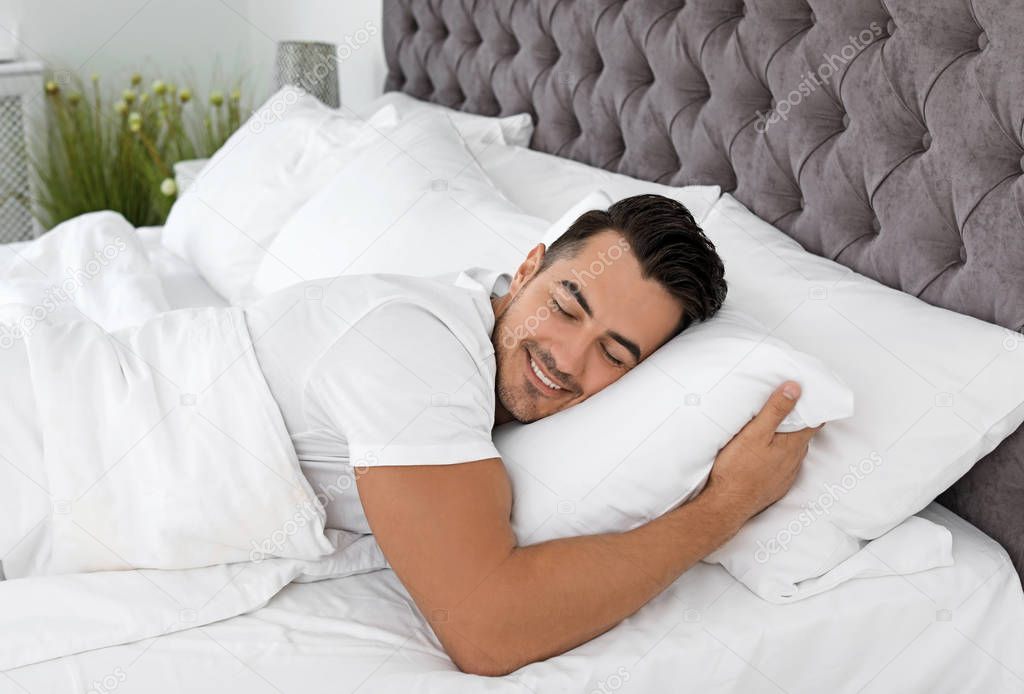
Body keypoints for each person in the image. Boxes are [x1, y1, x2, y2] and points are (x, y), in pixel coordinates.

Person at [244, 193, 822, 676]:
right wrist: (726, 506)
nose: (567, 359)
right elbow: (486, 631)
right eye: (566, 307)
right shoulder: (419, 343)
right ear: (526, 270)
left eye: (613, 353)